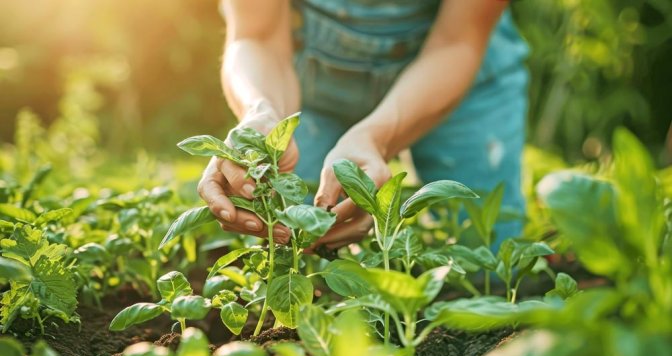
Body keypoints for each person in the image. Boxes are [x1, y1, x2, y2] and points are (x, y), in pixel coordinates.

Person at [198, 0, 529, 250]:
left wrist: (378, 137)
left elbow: (458, 40)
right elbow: (258, 36)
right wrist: (262, 114)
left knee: (486, 258)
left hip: (459, 68)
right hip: (307, 83)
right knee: (295, 239)